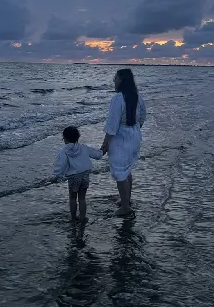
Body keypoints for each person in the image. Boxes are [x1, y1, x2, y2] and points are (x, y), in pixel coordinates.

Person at [101, 68, 146, 217]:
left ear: (122, 80)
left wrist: (105, 144)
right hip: (134, 134)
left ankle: (125, 207)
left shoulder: (118, 98)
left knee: (120, 172)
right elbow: (142, 117)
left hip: (121, 136)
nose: (114, 80)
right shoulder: (137, 96)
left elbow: (112, 124)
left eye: (116, 78)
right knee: (127, 170)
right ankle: (126, 200)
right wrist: (135, 130)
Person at [53, 126, 103, 222]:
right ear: (77, 137)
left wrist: (57, 176)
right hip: (85, 175)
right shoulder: (83, 147)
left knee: (72, 198)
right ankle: (83, 217)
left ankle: (73, 218)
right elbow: (96, 154)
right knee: (82, 198)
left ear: (65, 138)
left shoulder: (64, 151)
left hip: (73, 177)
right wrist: (102, 151)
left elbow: (60, 165)